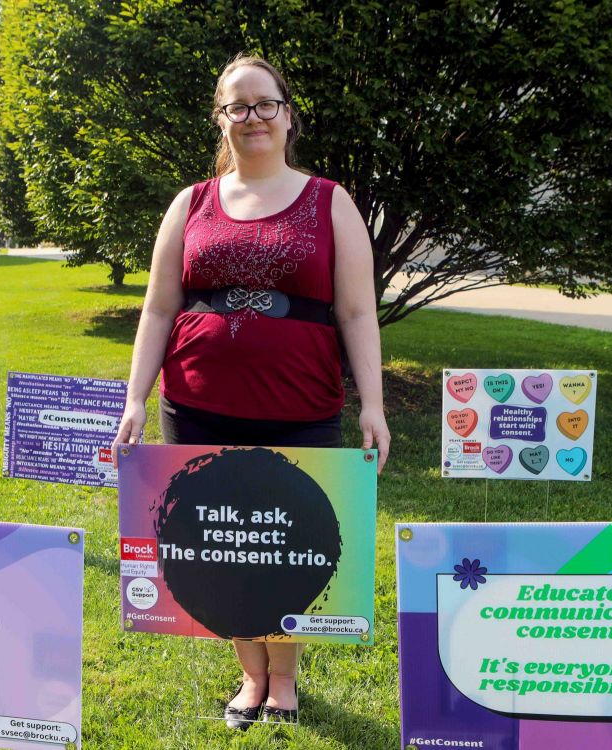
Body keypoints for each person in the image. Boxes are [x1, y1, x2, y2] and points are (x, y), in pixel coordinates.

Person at [113, 54, 390, 730]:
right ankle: (250, 674)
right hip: (197, 407)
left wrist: (375, 406)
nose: (253, 117)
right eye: (237, 106)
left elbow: (356, 312)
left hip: (301, 411)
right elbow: (157, 308)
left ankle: (286, 679)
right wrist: (135, 398)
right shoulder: (192, 204)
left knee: (288, 542)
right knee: (219, 545)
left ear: (288, 115)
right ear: (221, 119)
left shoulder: (330, 201)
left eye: (265, 103)